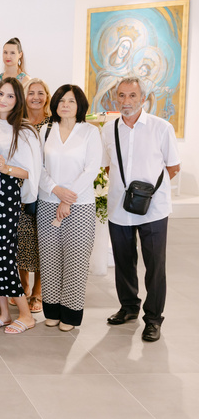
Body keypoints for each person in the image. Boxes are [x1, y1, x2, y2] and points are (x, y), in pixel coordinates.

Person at [102, 77, 180, 342]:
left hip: (154, 208)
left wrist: (147, 193)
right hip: (119, 206)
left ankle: (154, 319)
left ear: (143, 98)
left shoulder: (161, 127)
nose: (126, 101)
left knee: (155, 265)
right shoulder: (108, 129)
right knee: (124, 261)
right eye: (121, 95)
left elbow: (173, 166)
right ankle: (128, 307)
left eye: (132, 95)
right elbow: (107, 165)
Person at [37, 84, 101, 331]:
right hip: (47, 203)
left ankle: (71, 315)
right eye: (61, 100)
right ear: (55, 104)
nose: (65, 105)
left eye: (71, 101)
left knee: (76, 260)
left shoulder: (90, 132)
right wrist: (55, 190)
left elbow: (91, 169)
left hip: (80, 206)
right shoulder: (45, 130)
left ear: (79, 105)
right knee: (50, 259)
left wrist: (67, 199)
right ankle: (52, 311)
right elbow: (38, 167)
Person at [0, 78, 41, 335]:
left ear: (18, 100)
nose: (3, 100)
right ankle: (4, 313)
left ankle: (26, 315)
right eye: (0, 94)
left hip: (7, 193)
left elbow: (30, 172)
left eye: (10, 96)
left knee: (4, 254)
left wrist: (5, 168)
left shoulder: (25, 130)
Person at [16, 78, 52, 314]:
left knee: (42, 240)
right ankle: (23, 286)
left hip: (45, 189)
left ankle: (38, 292)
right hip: (20, 186)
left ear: (47, 97)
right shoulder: (17, 122)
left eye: (40, 93)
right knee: (20, 239)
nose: (36, 97)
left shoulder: (53, 125)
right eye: (31, 93)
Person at [0, 37, 31, 112]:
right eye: (5, 52)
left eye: (12, 53)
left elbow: (25, 109)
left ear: (20, 54)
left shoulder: (25, 80)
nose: (8, 56)